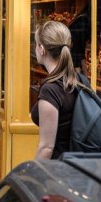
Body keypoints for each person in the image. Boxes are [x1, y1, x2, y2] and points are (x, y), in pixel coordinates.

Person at [33, 21, 80, 161]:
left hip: (58, 168)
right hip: (79, 164)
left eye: (36, 44)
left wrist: (33, 176)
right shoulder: (79, 80)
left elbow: (46, 148)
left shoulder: (50, 91)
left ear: (41, 49)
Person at [68, 0, 101, 69]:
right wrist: (80, 73)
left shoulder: (88, 20)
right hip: (70, 66)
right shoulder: (83, 21)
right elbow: (76, 51)